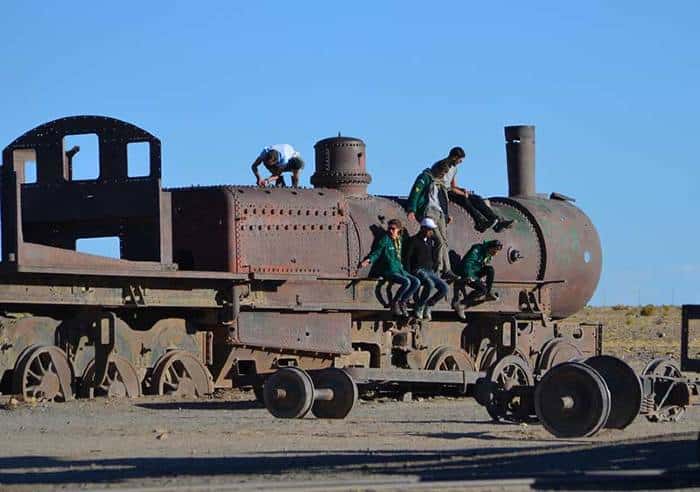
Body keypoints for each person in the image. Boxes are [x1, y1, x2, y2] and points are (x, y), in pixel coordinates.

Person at [441, 147, 514, 233]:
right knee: (464, 199)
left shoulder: (454, 168)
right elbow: (445, 186)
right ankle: (479, 221)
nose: (461, 162)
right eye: (460, 160)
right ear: (454, 157)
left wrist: (463, 190)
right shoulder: (444, 166)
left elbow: (453, 185)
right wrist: (461, 193)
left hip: (450, 190)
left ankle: (495, 220)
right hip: (443, 192)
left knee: (476, 198)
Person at [406, 159, 456, 281]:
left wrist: (446, 214)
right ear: (437, 170)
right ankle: (438, 269)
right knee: (438, 240)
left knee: (444, 241)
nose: (443, 175)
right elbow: (416, 192)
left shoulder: (440, 182)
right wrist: (412, 209)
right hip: (429, 211)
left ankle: (447, 269)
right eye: (442, 173)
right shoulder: (425, 178)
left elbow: (442, 199)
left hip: (439, 213)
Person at [359, 219, 420, 317]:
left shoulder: (399, 240)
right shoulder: (385, 240)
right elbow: (377, 252)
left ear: (398, 230)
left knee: (416, 282)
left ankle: (403, 302)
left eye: (393, 229)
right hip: (389, 270)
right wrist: (368, 260)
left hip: (399, 269)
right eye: (389, 228)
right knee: (406, 282)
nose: (390, 231)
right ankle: (395, 302)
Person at [404, 218, 448, 320]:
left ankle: (429, 305)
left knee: (444, 288)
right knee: (430, 284)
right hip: (418, 270)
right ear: (423, 229)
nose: (431, 232)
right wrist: (408, 273)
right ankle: (419, 306)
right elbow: (407, 258)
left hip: (429, 271)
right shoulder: (413, 241)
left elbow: (435, 252)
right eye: (429, 230)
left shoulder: (429, 241)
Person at [453, 239, 503, 318]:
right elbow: (468, 263)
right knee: (482, 290)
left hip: (475, 273)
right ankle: (461, 304)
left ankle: (488, 293)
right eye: (494, 251)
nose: (495, 254)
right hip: (466, 272)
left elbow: (481, 266)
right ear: (490, 247)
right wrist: (469, 276)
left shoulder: (488, 255)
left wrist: (480, 279)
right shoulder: (478, 249)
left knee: (490, 269)